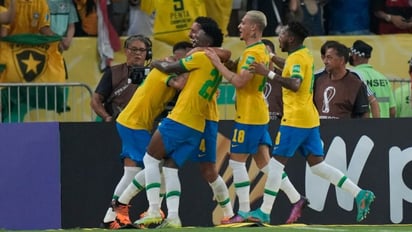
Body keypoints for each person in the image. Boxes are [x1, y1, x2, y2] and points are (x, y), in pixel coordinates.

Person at [249, 21, 375, 223]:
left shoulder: (297, 58)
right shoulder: (302, 54)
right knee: (318, 167)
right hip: (309, 119)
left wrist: (268, 73)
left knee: (275, 166)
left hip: (295, 120)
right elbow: (291, 68)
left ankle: (264, 211)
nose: (278, 38)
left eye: (281, 35)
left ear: (290, 38)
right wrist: (271, 57)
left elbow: (295, 84)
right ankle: (360, 193)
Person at [205, 11, 307, 225]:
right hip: (258, 112)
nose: (239, 25)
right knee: (264, 163)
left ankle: (243, 211)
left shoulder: (253, 53)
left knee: (236, 161)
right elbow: (254, 73)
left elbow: (240, 82)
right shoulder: (258, 50)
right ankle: (296, 198)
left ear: (253, 28)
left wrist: (217, 63)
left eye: (243, 23)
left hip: (249, 114)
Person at [134, 17, 227, 228]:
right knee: (170, 167)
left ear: (207, 36)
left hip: (181, 118)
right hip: (197, 125)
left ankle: (153, 209)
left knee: (150, 159)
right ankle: (173, 217)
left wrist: (156, 62)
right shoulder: (215, 59)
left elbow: (169, 68)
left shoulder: (200, 57)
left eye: (195, 32)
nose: (190, 35)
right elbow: (226, 54)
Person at [90, 34, 152, 122]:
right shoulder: (113, 72)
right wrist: (107, 117)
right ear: (126, 51)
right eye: (134, 49)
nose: (138, 53)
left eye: (142, 50)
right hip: (115, 123)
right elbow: (95, 100)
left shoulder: (152, 74)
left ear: (148, 54)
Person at [315, 40, 381, 118]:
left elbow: (372, 101)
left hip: (346, 128)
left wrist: (374, 127)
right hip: (320, 128)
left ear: (342, 60)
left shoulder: (356, 79)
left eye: (329, 57)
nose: (325, 61)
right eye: (325, 57)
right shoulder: (317, 79)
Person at [350, 40, 396, 118]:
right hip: (384, 125)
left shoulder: (353, 76)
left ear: (355, 56)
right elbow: (392, 110)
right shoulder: (382, 77)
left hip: (364, 126)